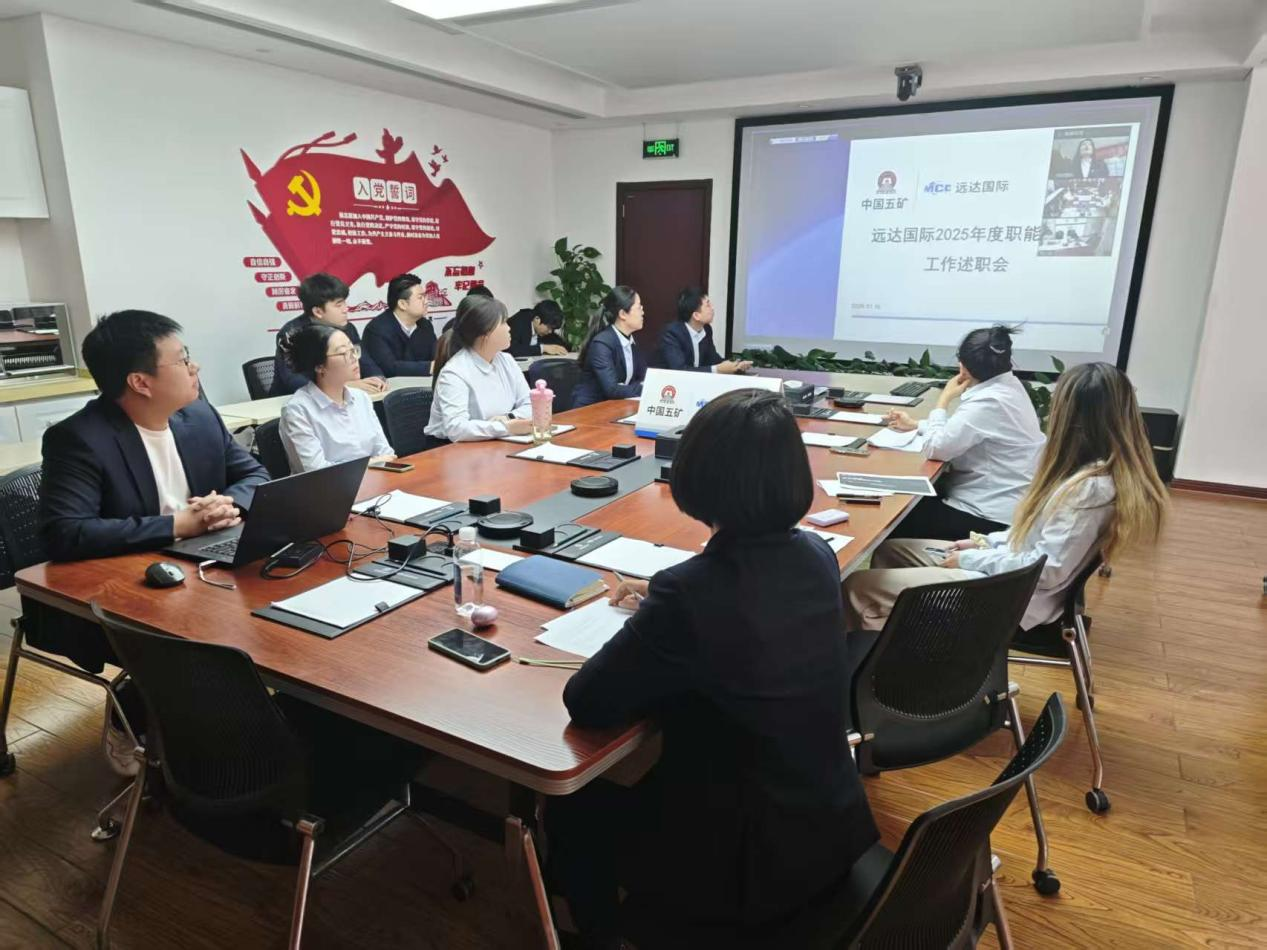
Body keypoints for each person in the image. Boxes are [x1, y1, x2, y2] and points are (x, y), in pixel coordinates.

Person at [548, 389, 879, 945]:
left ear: (697, 476)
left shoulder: (689, 594)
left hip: (744, 868)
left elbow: (587, 702)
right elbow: (748, 607)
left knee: (572, 806)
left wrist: (661, 610)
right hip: (830, 829)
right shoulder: (818, 555)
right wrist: (664, 602)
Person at [38, 310, 270, 773]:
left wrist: (228, 504)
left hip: (200, 562)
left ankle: (254, 725)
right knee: (215, 637)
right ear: (140, 382)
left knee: (283, 595)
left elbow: (255, 474)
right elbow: (65, 532)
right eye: (182, 360)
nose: (194, 367)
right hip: (120, 585)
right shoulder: (79, 439)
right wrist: (178, 525)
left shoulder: (198, 415)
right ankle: (134, 710)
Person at [844, 362, 1167, 633]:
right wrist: (985, 542)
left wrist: (972, 559)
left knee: (857, 587)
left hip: (1010, 596)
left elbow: (1046, 569)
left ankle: (887, 668)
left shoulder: (1088, 489)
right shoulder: (1085, 472)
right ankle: (905, 650)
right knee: (892, 551)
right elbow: (1036, 538)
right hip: (1008, 571)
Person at [884, 325, 1044, 540]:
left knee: (894, 518)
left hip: (986, 516)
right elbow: (966, 432)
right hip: (1009, 506)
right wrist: (917, 425)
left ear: (963, 368)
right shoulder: (1010, 387)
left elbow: (936, 448)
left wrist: (943, 399)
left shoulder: (989, 402)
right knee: (911, 502)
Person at [278, 322, 396, 473]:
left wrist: (375, 463)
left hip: (375, 481)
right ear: (319, 366)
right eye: (343, 353)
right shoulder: (297, 410)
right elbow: (316, 471)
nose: (354, 358)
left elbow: (386, 453)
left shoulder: (361, 398)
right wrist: (371, 463)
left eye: (353, 350)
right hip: (327, 487)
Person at [423, 294, 534, 443]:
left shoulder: (507, 360)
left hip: (495, 442)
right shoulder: (454, 372)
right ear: (485, 333)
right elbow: (456, 429)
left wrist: (509, 418)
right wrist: (505, 427)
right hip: (450, 448)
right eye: (503, 323)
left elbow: (530, 403)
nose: (509, 328)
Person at [269, 273, 385, 396]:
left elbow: (365, 361)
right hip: (293, 399)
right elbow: (294, 380)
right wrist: (343, 386)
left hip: (341, 396)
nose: (346, 309)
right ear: (318, 311)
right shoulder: (290, 334)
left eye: (345, 303)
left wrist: (377, 378)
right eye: (339, 305)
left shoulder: (348, 329)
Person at [570, 286, 647, 409]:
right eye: (639, 308)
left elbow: (641, 377)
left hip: (614, 407)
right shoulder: (602, 344)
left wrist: (644, 385)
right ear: (622, 314)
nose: (642, 313)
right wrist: (647, 388)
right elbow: (612, 389)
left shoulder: (630, 341)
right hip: (590, 410)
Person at [656, 287, 752, 374]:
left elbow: (713, 360)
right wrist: (717, 369)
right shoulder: (672, 333)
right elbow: (680, 370)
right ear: (696, 315)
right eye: (708, 305)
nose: (713, 308)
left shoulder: (706, 329)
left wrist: (735, 365)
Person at [360, 272, 438, 377]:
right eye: (420, 297)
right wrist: (429, 367)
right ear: (402, 304)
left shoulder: (425, 325)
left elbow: (436, 357)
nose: (426, 301)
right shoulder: (376, 330)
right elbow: (389, 368)